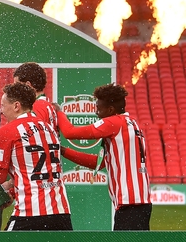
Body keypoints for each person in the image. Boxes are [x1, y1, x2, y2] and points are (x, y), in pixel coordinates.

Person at [0, 82, 72, 231]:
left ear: (16, 106)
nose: (1, 112)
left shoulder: (8, 131)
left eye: (3, 106)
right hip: (61, 212)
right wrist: (11, 191)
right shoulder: (48, 127)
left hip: (30, 212)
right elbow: (33, 169)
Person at [56, 83, 152, 231]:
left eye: (99, 109)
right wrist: (63, 151)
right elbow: (98, 163)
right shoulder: (131, 123)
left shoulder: (114, 123)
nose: (96, 113)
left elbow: (69, 132)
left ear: (111, 110)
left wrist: (58, 113)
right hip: (138, 203)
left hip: (130, 203)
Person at [13, 62, 58, 132]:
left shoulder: (37, 106)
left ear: (28, 85)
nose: (15, 89)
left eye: (17, 85)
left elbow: (34, 137)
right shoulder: (46, 103)